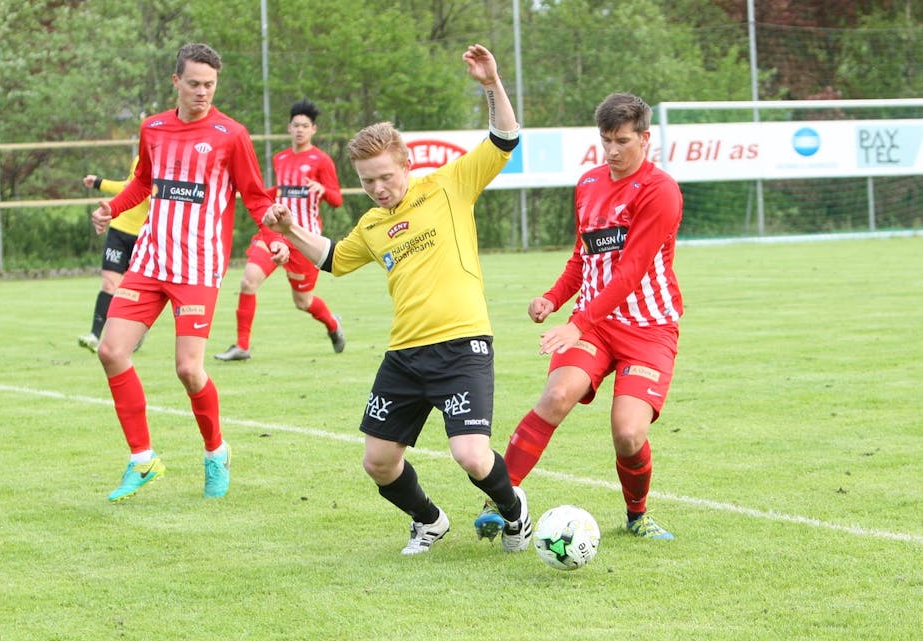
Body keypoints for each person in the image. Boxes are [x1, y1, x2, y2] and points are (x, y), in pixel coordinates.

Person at [263, 44, 531, 555]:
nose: (379, 188)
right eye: (368, 182)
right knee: (378, 462)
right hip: (405, 355)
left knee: (472, 456)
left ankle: (515, 512)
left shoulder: (449, 184)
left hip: (462, 344)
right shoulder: (371, 223)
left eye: (386, 176)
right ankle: (429, 520)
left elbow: (505, 137)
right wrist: (291, 229)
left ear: (405, 163)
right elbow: (335, 259)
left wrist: (490, 83)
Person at [479, 92, 683, 541]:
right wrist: (553, 299)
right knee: (556, 396)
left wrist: (576, 323)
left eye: (623, 141)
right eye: (606, 140)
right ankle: (501, 500)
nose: (612, 151)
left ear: (645, 139)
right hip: (595, 325)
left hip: (648, 330)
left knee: (628, 434)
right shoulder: (589, 184)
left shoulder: (660, 191)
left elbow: (631, 271)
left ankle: (637, 516)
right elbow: (583, 257)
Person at [89, 43, 287, 502]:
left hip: (197, 267)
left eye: (210, 85)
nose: (202, 92)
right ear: (175, 81)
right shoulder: (153, 128)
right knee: (111, 350)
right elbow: (142, 183)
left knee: (188, 370)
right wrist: (111, 208)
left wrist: (272, 237)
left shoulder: (230, 134)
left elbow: (255, 195)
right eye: (194, 83)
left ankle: (216, 452)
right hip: (150, 260)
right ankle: (143, 460)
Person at [215, 98, 345, 361]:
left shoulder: (322, 161)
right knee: (248, 280)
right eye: (296, 125)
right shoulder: (281, 158)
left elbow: (337, 199)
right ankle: (242, 346)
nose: (300, 130)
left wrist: (323, 190)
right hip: (275, 231)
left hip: (304, 238)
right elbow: (281, 191)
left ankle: (332, 324)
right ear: (289, 128)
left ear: (313, 130)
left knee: (303, 302)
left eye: (305, 126)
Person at [79, 158, 149, 353]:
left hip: (143, 234)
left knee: (131, 290)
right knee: (109, 283)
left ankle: (137, 330)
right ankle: (94, 336)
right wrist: (99, 183)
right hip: (119, 230)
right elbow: (129, 187)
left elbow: (138, 190)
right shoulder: (140, 159)